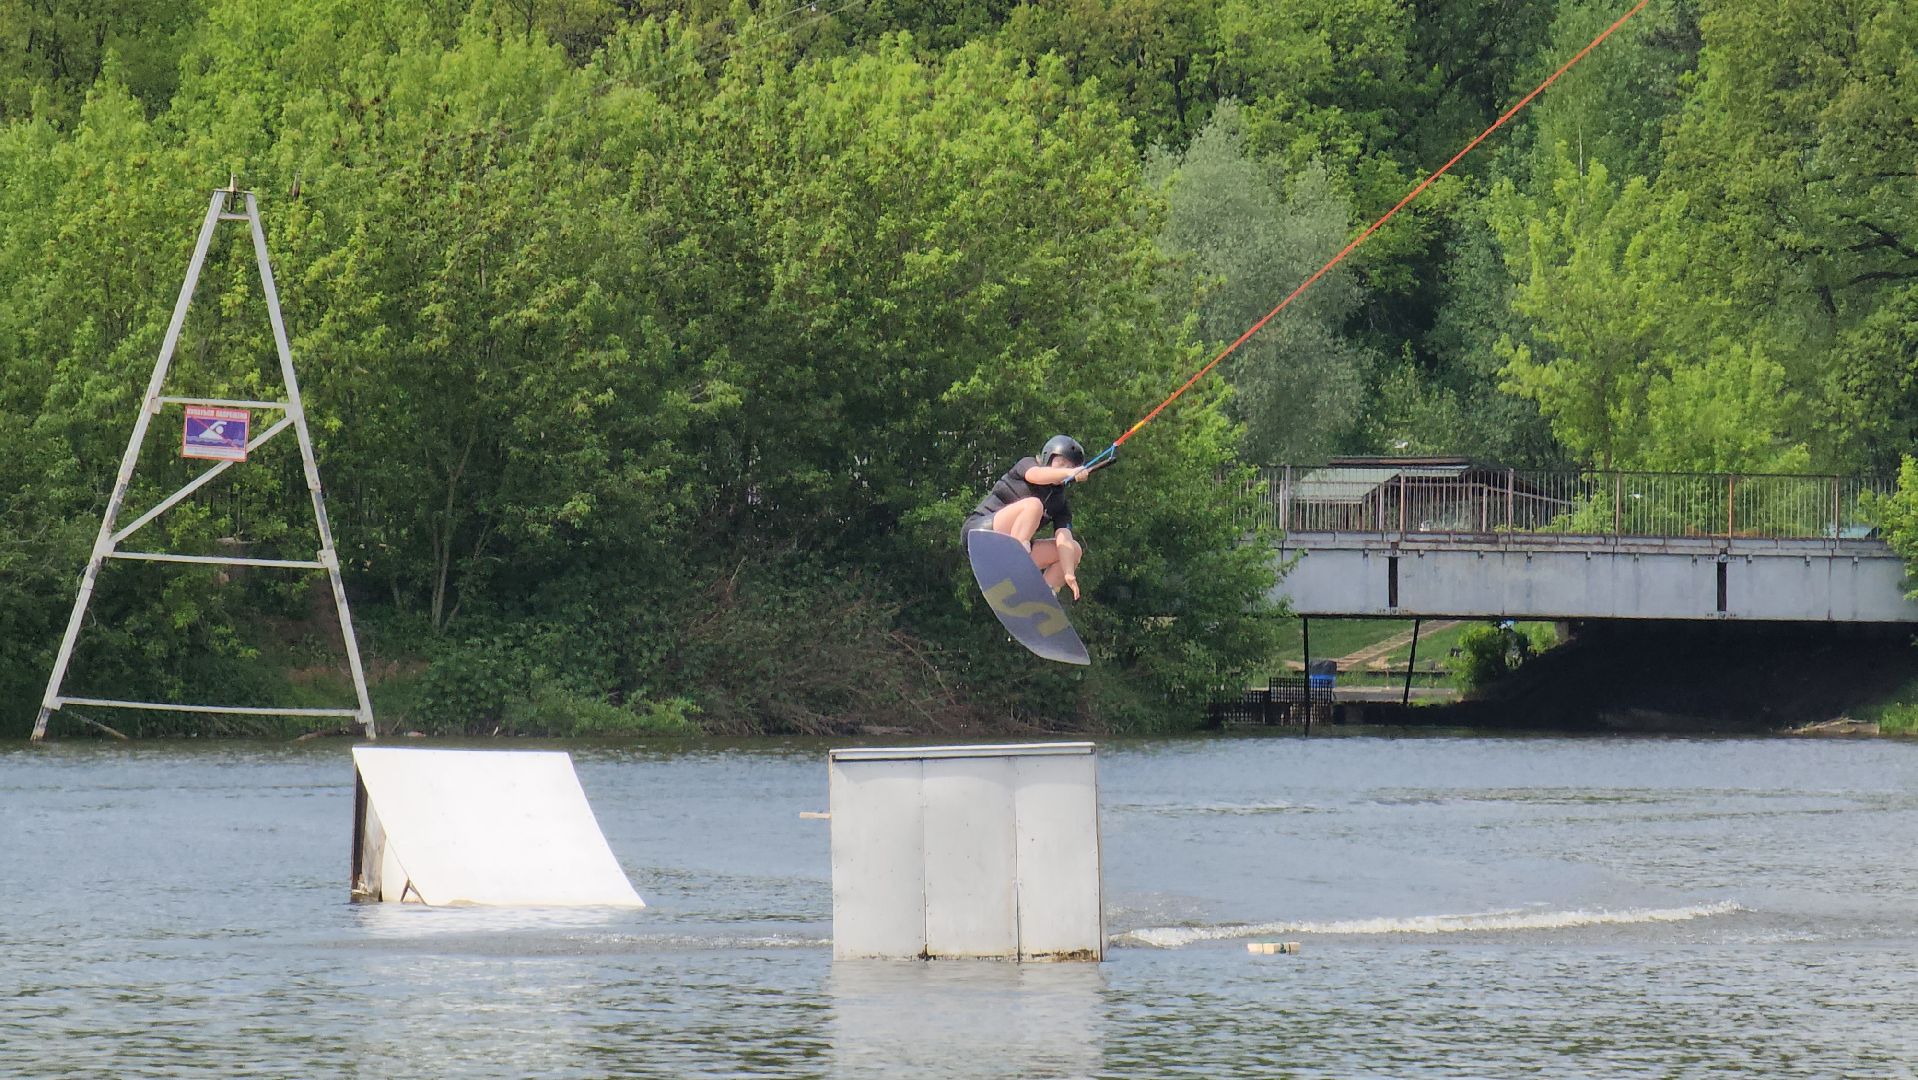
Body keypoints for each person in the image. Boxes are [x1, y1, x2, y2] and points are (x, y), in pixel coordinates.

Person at [963, 435, 1095, 599]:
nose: (1064, 470)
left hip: (1006, 553)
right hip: (980, 532)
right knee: (1034, 505)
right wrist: (1071, 471)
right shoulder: (1028, 464)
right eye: (1061, 464)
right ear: (1048, 458)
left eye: (1069, 467)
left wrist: (1069, 573)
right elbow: (1036, 475)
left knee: (1073, 550)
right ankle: (1016, 561)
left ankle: (1041, 598)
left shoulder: (1060, 503)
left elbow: (1064, 538)